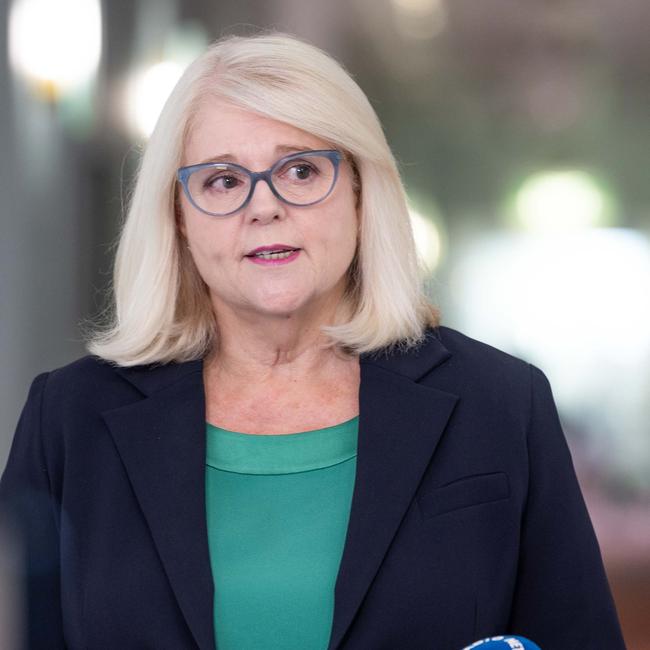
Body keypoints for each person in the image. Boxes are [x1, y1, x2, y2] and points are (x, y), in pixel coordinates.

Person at [0, 31, 626, 650]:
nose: (263, 206)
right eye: (222, 180)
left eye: (299, 170)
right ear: (178, 217)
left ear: (360, 191)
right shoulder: (68, 419)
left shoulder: (501, 404)